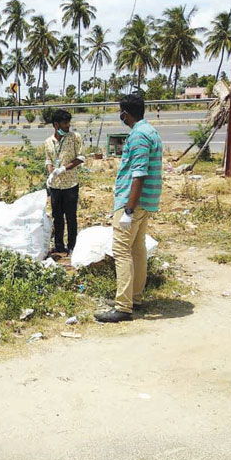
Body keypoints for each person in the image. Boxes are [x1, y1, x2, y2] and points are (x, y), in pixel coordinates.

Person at [95, 94, 163, 323]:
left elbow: (139, 174)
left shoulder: (138, 136)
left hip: (132, 202)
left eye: (120, 112)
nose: (120, 116)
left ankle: (124, 307)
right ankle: (134, 297)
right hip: (145, 202)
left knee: (122, 251)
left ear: (126, 112)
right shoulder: (150, 131)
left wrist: (128, 210)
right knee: (137, 250)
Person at [44, 109, 85, 254]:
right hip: (56, 186)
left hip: (70, 184)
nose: (68, 126)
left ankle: (73, 245)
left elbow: (80, 158)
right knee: (57, 216)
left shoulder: (74, 137)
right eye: (65, 123)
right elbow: (48, 159)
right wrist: (51, 173)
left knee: (71, 216)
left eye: (68, 123)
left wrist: (63, 169)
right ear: (56, 125)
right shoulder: (48, 142)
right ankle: (59, 246)